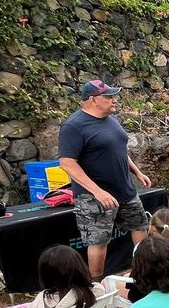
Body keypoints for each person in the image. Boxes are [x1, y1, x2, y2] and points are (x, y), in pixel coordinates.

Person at [58, 79, 152, 280]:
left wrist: (137, 172)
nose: (114, 100)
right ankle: (96, 285)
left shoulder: (112, 120)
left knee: (140, 227)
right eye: (108, 96)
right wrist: (97, 191)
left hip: (125, 190)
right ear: (92, 99)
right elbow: (67, 163)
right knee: (98, 240)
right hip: (94, 198)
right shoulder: (74, 126)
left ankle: (144, 273)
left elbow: (119, 150)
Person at [121, 207, 169, 304]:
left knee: (107, 282)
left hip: (147, 293)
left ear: (152, 228)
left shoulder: (144, 249)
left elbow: (138, 277)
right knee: (125, 276)